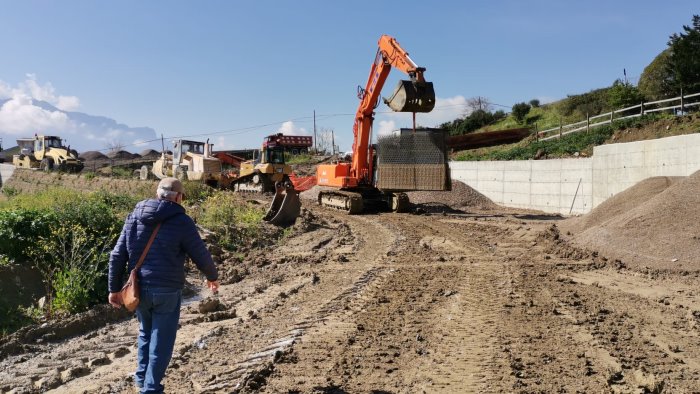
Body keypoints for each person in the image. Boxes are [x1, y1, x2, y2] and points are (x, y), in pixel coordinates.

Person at [108, 177, 219, 394]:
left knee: (145, 333)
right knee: (162, 341)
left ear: (158, 194)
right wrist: (211, 276)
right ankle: (150, 389)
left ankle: (141, 379)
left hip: (138, 289)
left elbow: (117, 255)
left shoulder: (134, 217)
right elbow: (200, 253)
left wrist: (113, 289)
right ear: (177, 197)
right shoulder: (181, 221)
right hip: (167, 290)